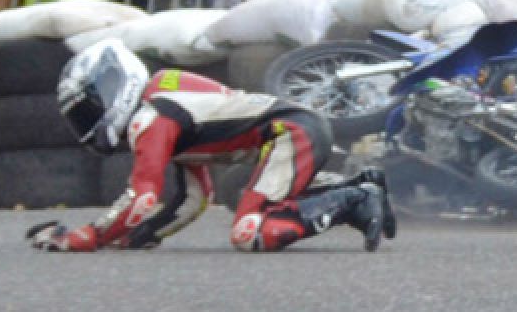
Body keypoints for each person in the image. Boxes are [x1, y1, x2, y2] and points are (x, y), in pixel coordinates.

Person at [25, 39, 395, 253]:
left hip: (292, 132)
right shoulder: (167, 106)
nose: (89, 121)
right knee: (250, 208)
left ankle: (355, 200)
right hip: (292, 133)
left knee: (250, 233)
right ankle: (357, 188)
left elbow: (142, 196)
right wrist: (136, 237)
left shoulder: (151, 116)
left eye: (89, 109)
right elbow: (192, 199)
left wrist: (86, 237)